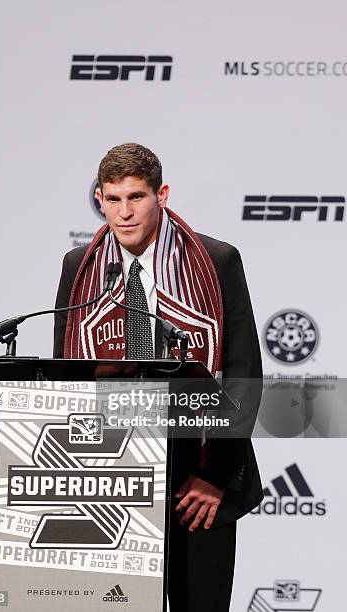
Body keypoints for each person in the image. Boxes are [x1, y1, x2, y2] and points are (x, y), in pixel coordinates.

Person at [53, 143, 263, 612]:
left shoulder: (217, 259)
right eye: (112, 199)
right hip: (114, 476)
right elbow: (68, 376)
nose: (123, 213)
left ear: (161, 194)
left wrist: (215, 476)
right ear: (100, 199)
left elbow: (244, 372)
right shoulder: (79, 268)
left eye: (136, 197)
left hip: (197, 478)